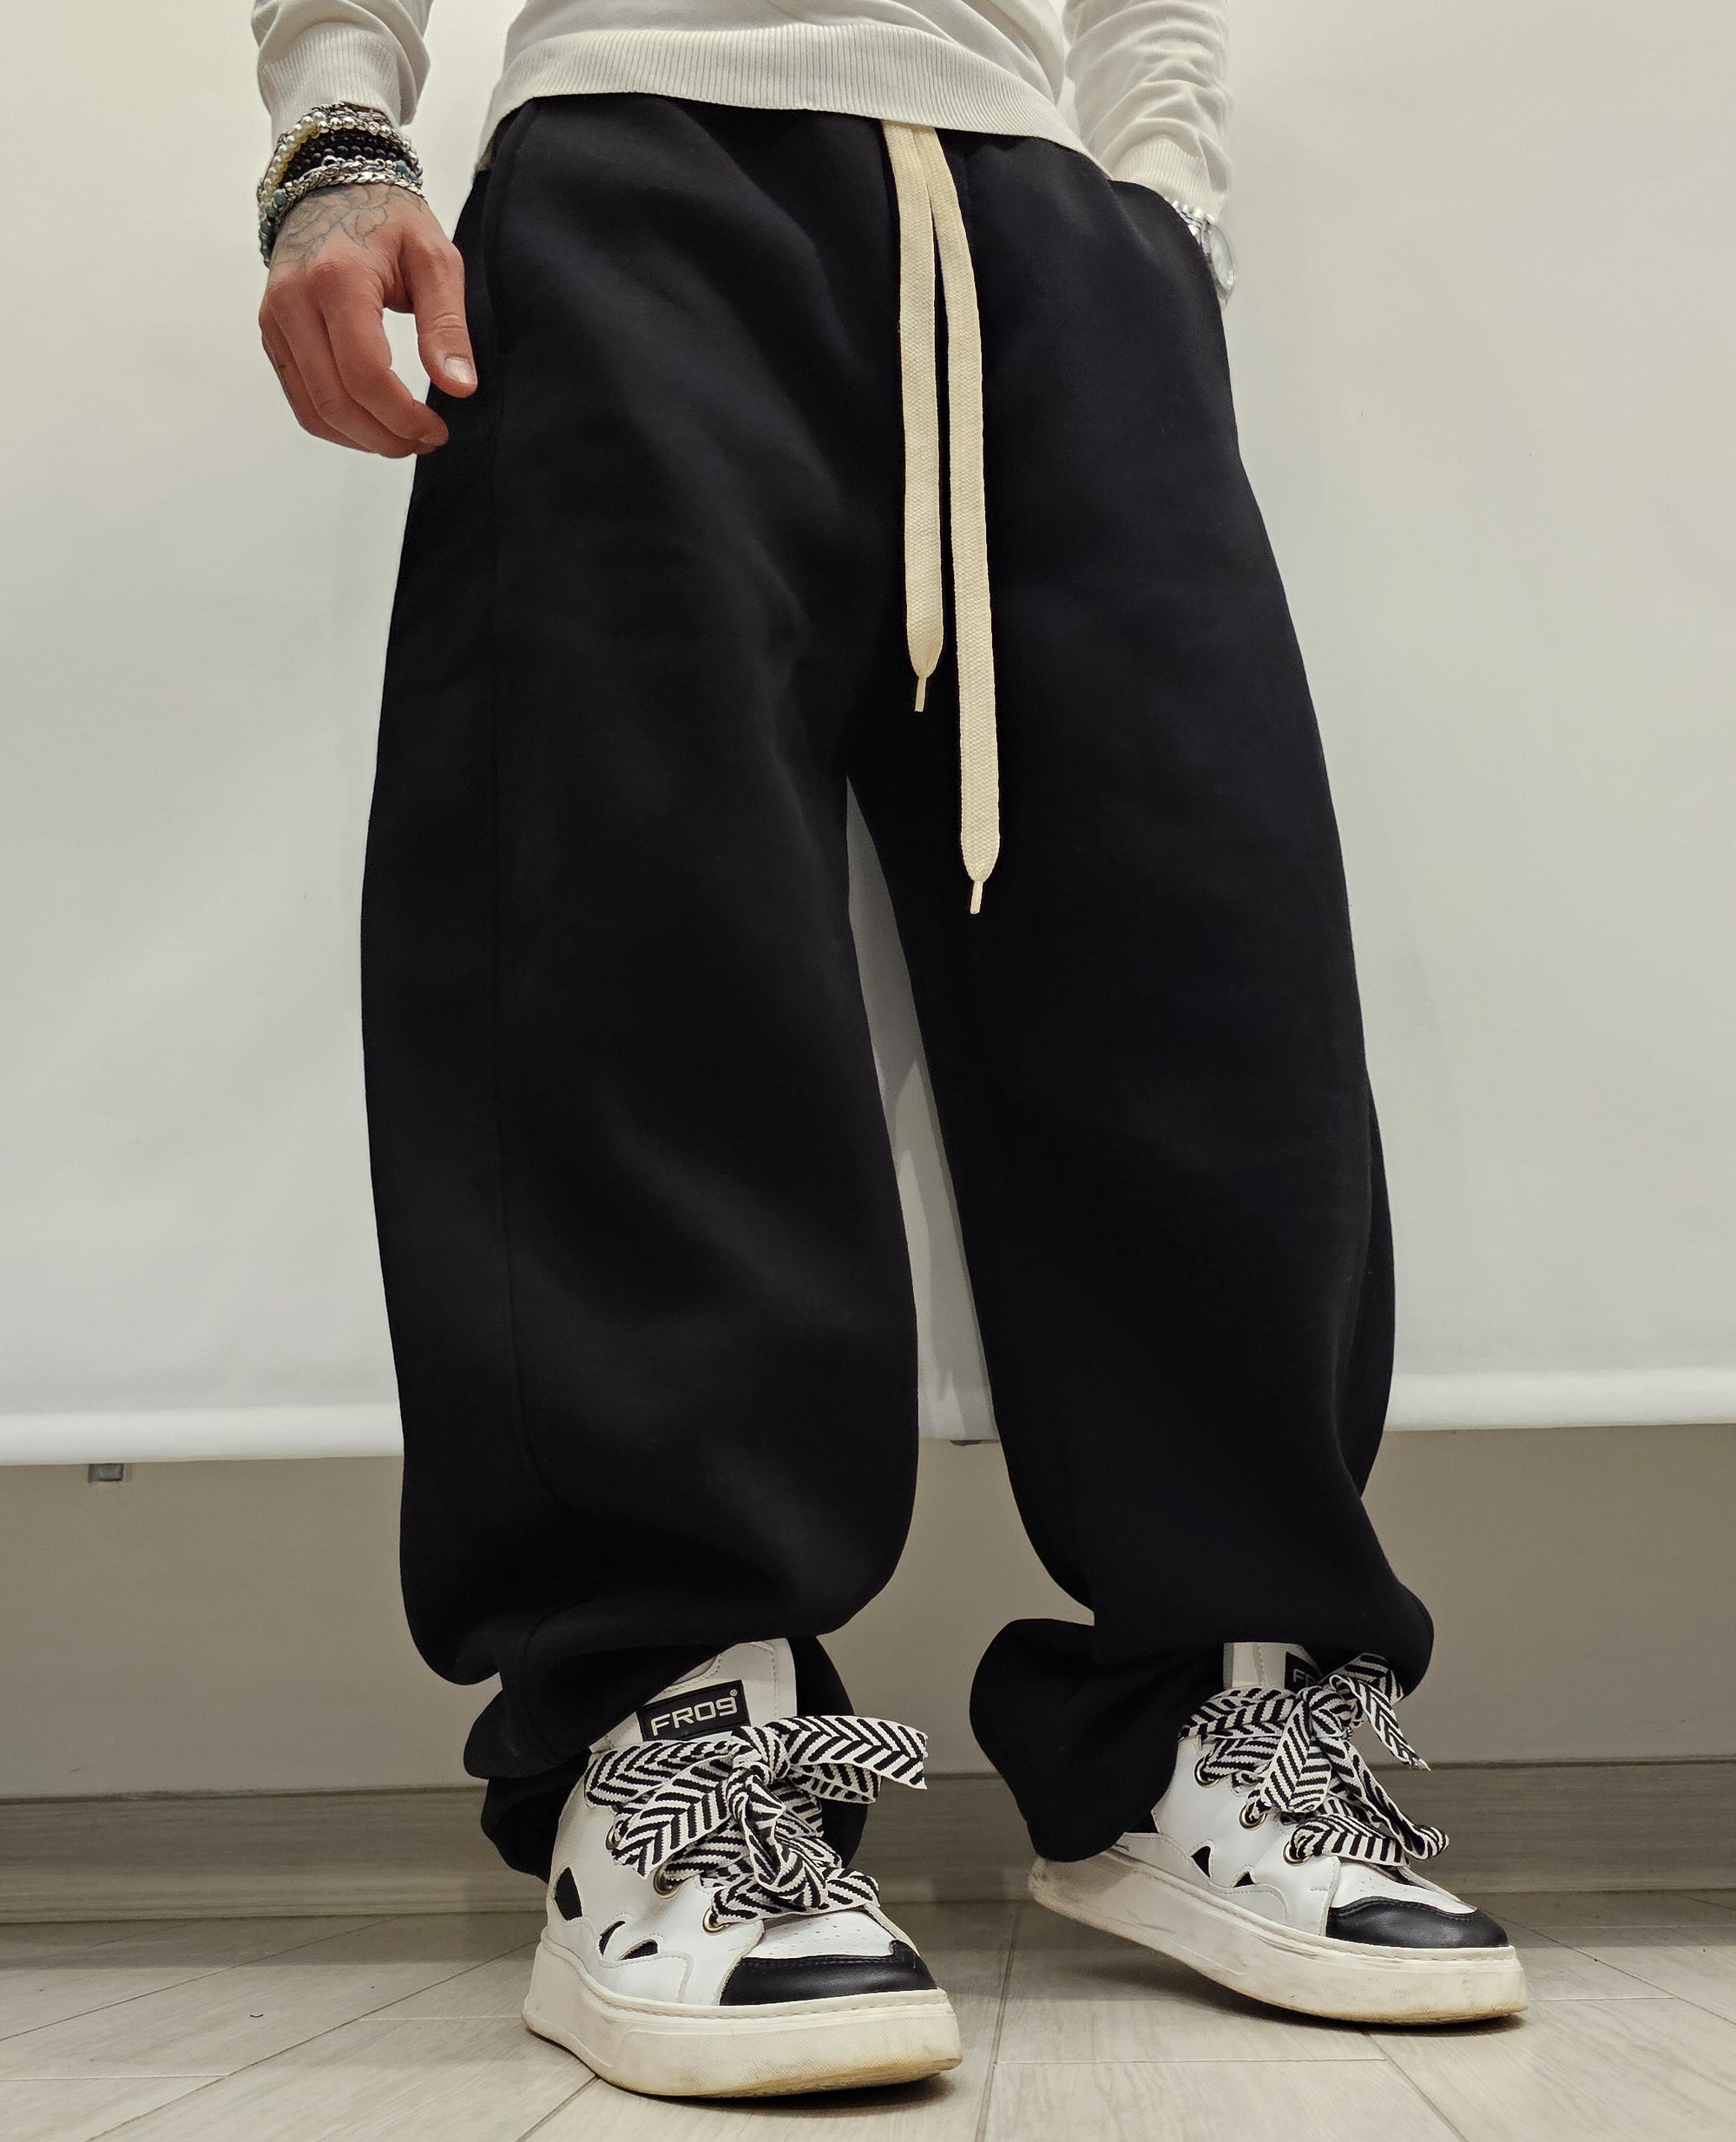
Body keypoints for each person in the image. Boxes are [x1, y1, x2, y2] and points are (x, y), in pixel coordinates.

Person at [251, 0, 1526, 2099]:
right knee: (635, 939)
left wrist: (1163, 224)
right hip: (637, 161)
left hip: (1045, 219)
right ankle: (674, 1728)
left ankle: (1213, 1712)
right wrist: (337, 141)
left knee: (1207, 964)